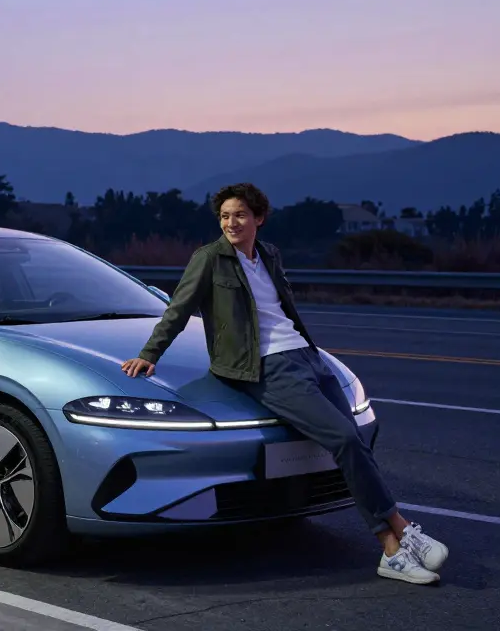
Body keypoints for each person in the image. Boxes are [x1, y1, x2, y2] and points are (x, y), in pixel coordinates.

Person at [120, 182, 448, 585]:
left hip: (308, 357)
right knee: (344, 439)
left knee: (355, 445)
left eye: (240, 215)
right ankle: (395, 539)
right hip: (263, 366)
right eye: (224, 216)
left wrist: (311, 353)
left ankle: (399, 540)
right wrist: (150, 354)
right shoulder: (208, 259)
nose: (231, 223)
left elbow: (281, 311)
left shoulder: (270, 255)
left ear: (259, 218)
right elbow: (178, 309)